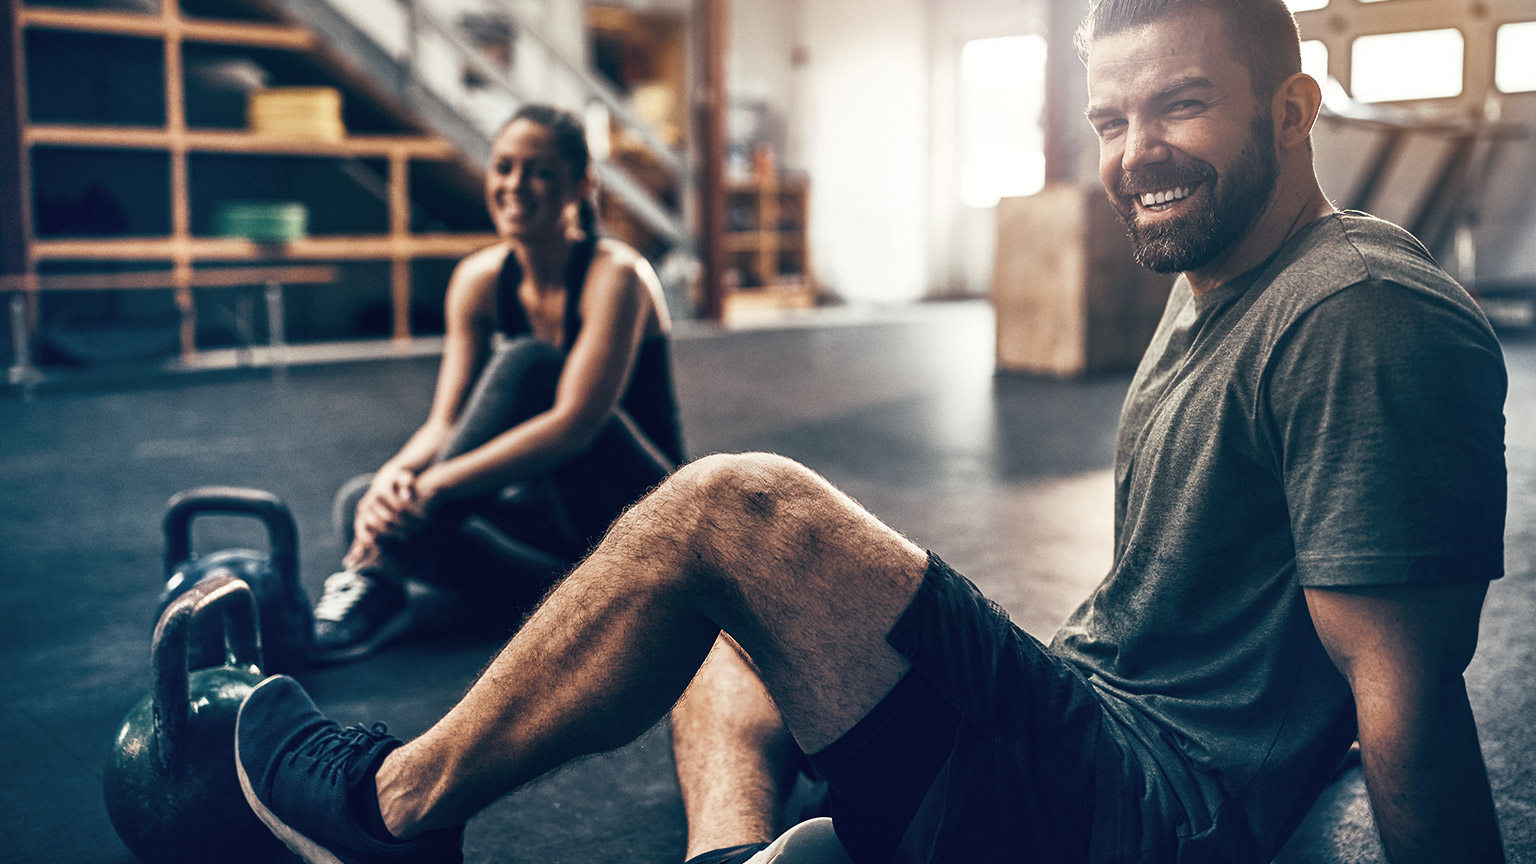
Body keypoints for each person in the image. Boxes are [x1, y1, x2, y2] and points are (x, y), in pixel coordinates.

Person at [235, 0, 1510, 860]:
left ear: (1291, 111)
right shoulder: (1218, 282)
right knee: (724, 622)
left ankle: (394, 805)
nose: (1134, 155)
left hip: (1155, 802)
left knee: (733, 509)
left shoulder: (1359, 314)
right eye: (1112, 121)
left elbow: (1407, 696)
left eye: (1179, 107)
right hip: (1090, 708)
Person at [310, 103, 685, 663]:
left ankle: (379, 572)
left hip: (651, 520)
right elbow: (444, 423)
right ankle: (571, 601)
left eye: (540, 171)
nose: (516, 185)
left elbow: (574, 426)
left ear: (581, 184)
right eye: (504, 167)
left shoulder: (618, 275)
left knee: (531, 365)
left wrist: (432, 488)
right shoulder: (479, 279)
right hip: (557, 541)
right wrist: (399, 477)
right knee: (362, 502)